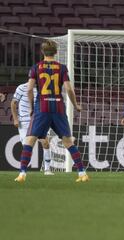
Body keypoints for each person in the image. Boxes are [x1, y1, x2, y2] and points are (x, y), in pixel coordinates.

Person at [14, 40, 88, 183]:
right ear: (56, 52)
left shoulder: (36, 67)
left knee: (30, 140)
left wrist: (31, 108)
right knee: (68, 142)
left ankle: (22, 173)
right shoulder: (62, 68)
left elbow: (29, 89)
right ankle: (82, 173)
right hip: (59, 108)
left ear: (42, 52)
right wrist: (76, 105)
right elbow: (68, 89)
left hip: (42, 108)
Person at [11, 82, 54, 175]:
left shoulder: (43, 89)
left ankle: (47, 169)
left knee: (45, 143)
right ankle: (23, 171)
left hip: (39, 120)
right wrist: (15, 119)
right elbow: (13, 103)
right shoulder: (22, 87)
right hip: (25, 122)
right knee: (27, 146)